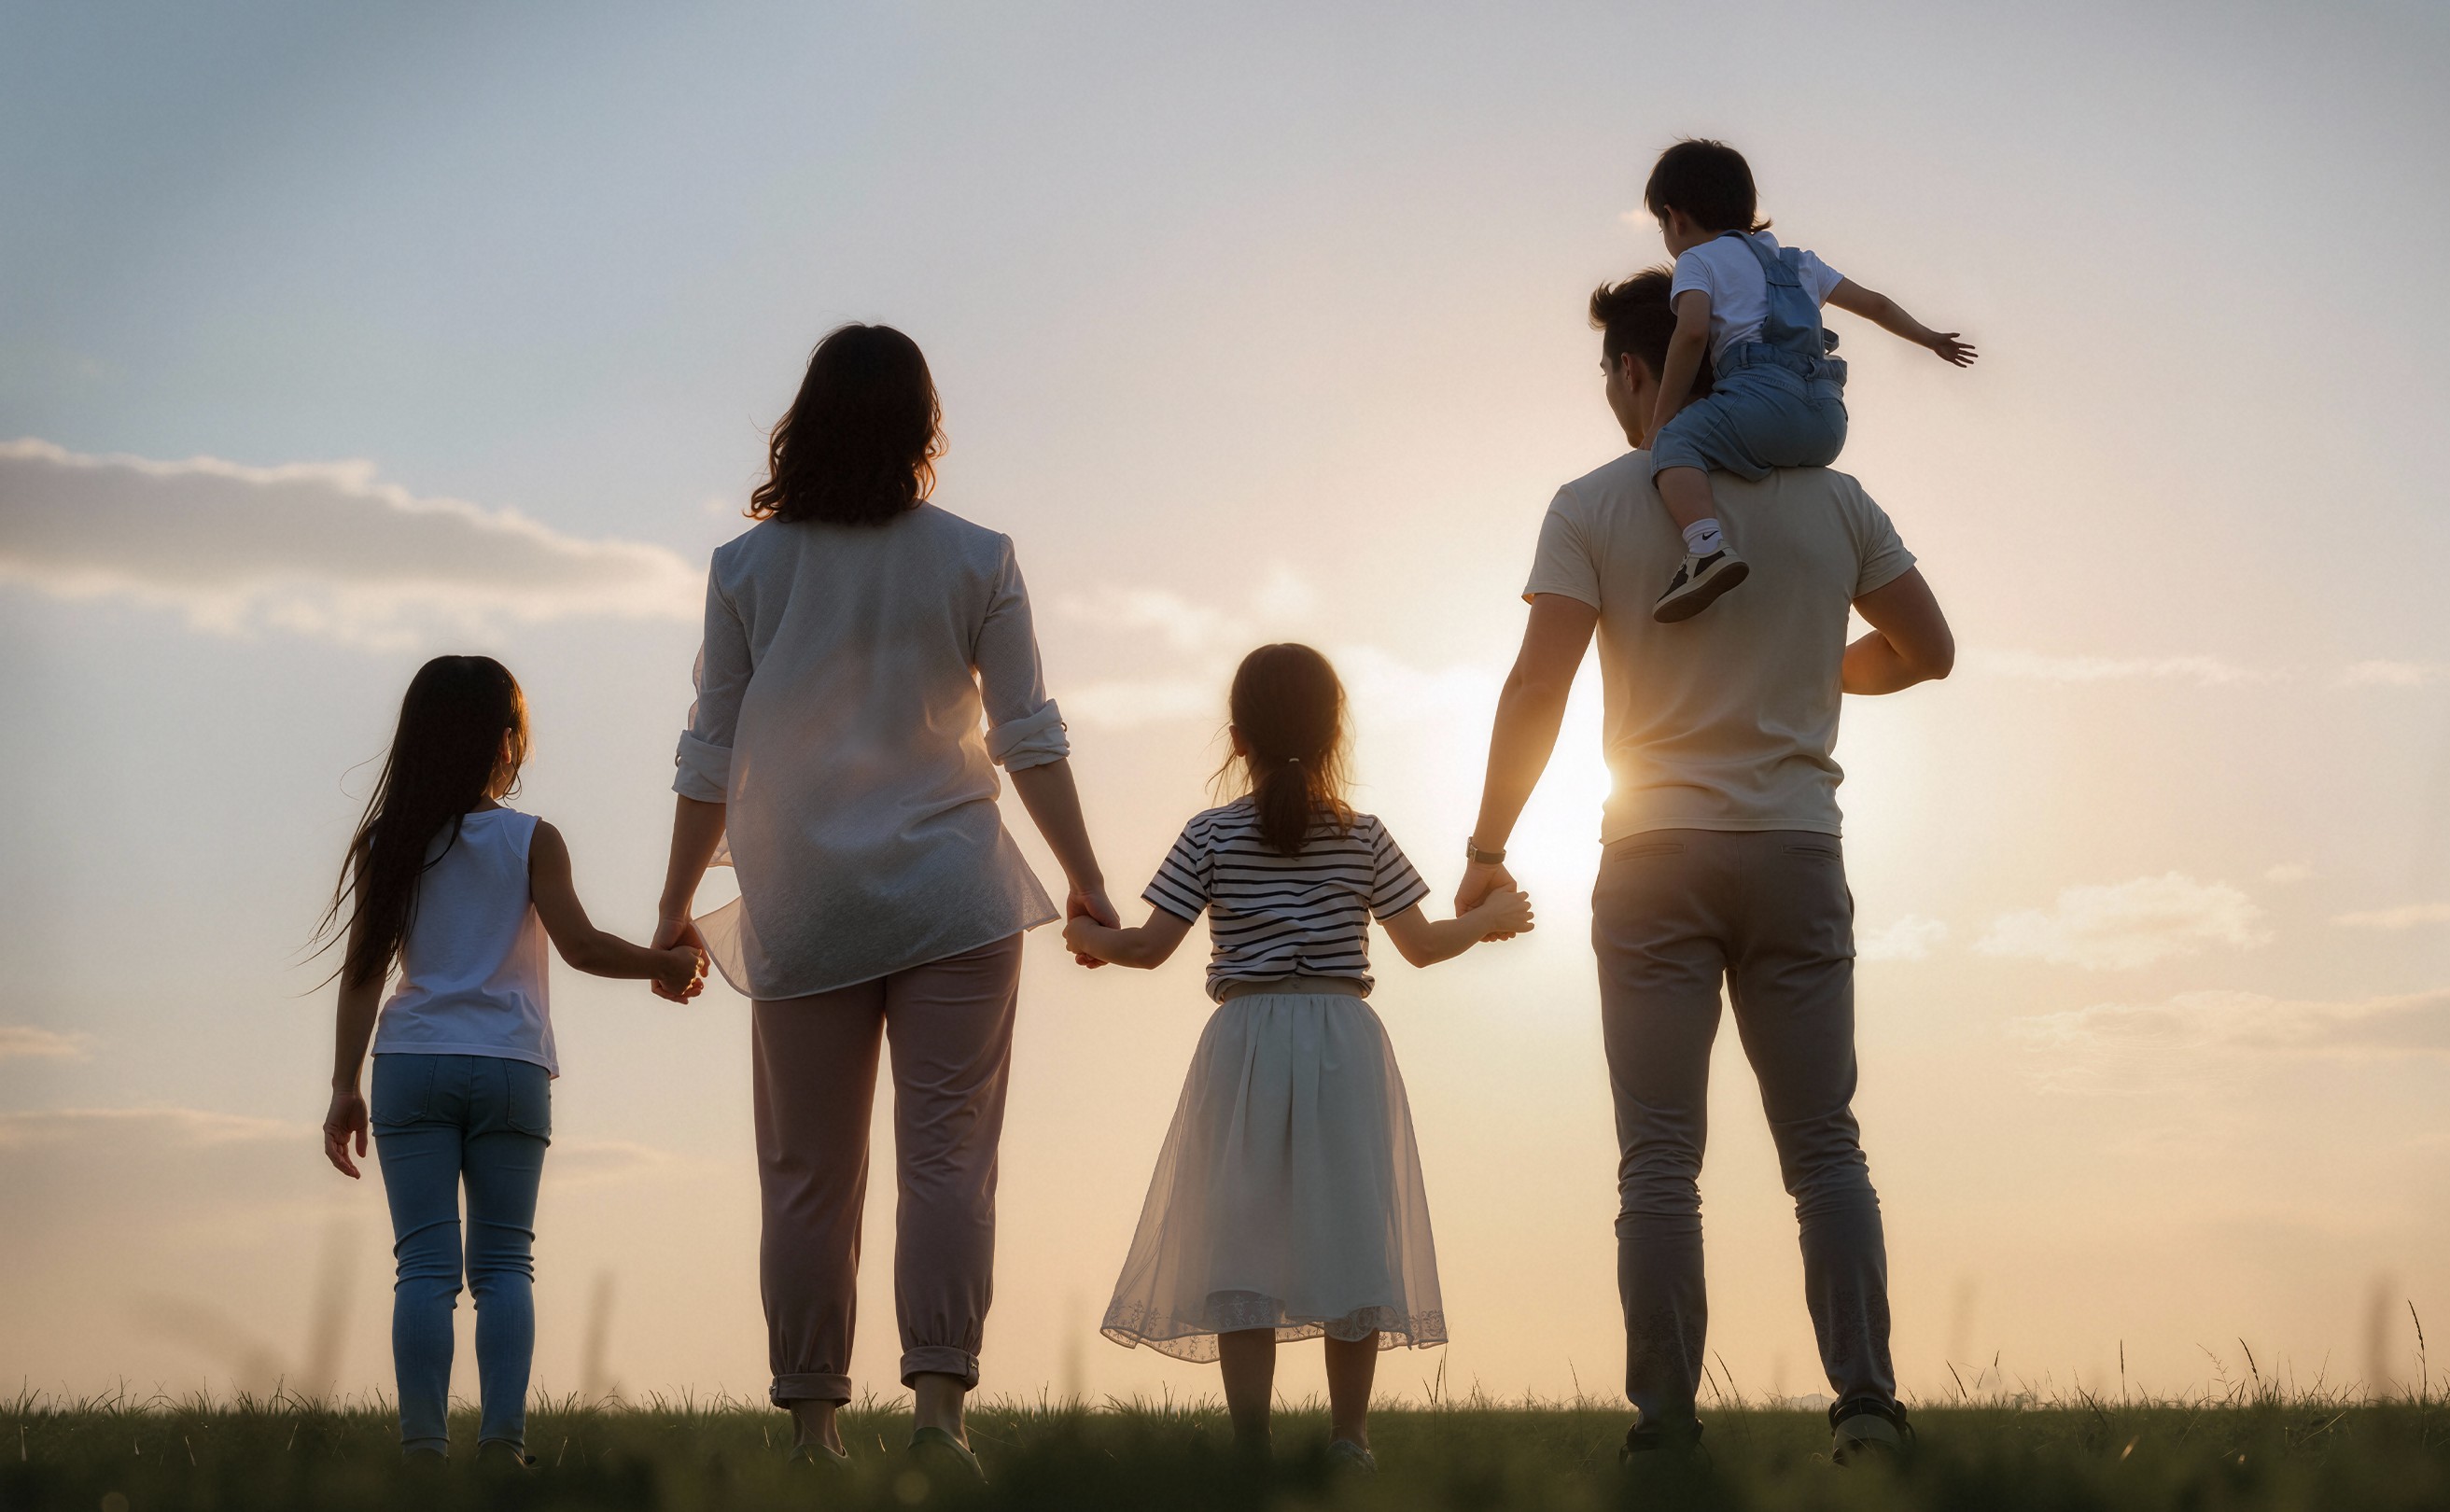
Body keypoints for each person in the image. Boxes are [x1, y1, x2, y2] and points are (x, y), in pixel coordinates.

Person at [1452, 268, 1958, 1466]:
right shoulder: (1836, 503)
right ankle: (1870, 1410)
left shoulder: (1594, 501)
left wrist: (1485, 847)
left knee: (1660, 1160)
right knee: (1824, 1146)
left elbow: (1538, 685)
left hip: (1654, 856)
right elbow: (1928, 651)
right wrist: (1814, 670)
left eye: (1609, 377)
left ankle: (1667, 1427)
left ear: (1642, 374)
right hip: (1794, 848)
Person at [651, 324, 1116, 1478]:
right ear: (922, 426)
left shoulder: (744, 569)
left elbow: (710, 754)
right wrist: (1086, 878)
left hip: (804, 900)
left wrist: (672, 907)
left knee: (808, 1171)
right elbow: (1029, 738)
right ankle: (939, 1419)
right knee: (951, 1158)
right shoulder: (978, 557)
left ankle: (813, 1429)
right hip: (952, 897)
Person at [1064, 643, 1533, 1473]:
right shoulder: (1363, 835)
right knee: (1352, 1229)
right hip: (1341, 1036)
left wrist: (1082, 933)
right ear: (1333, 735)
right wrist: (1489, 922)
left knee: (1240, 1235)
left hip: (1242, 1040)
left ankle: (1253, 1445)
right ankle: (1349, 1441)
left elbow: (1144, 949)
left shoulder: (1208, 835)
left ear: (1236, 738)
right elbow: (1421, 947)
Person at [317, 654, 707, 1464]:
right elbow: (585, 948)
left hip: (411, 1063)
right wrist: (664, 965)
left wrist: (342, 1087)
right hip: (510, 1070)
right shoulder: (532, 839)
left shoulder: (385, 844)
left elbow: (362, 976)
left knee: (422, 1266)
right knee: (503, 1266)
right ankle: (502, 1446)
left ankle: (424, 1447)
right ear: (507, 744)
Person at [1640, 137, 1976, 622]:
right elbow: (1876, 304)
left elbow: (1691, 333)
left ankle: (1705, 548)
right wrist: (1930, 339)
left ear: (1675, 217)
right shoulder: (1800, 263)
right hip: (1826, 421)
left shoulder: (1698, 261)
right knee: (1754, 439)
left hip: (1759, 403)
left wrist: (1659, 423)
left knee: (1676, 445)